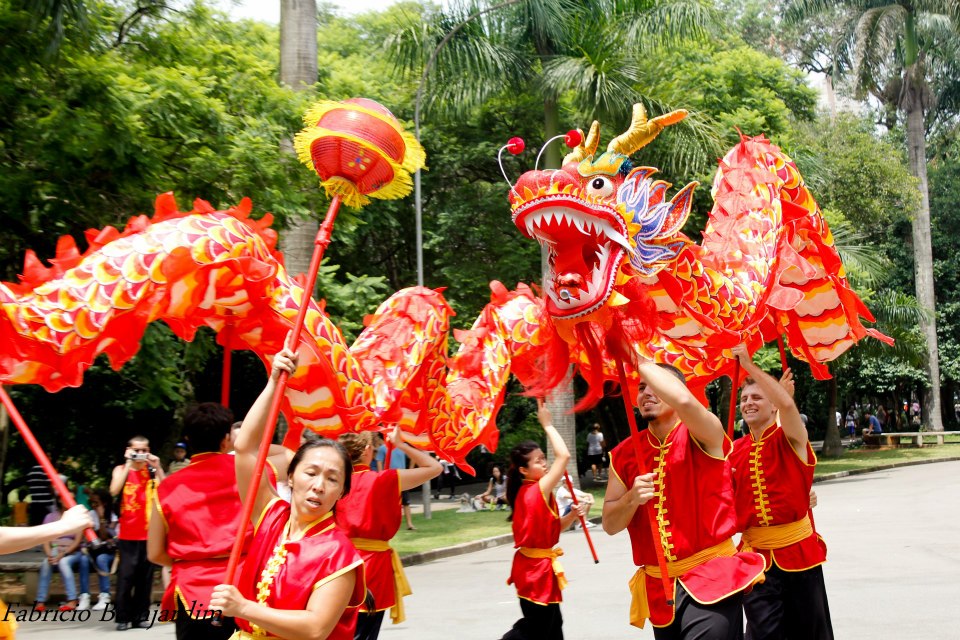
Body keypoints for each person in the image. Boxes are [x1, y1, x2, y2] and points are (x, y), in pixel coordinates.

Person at [602, 358, 765, 638]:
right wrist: (631, 499)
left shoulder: (703, 433)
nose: (646, 393)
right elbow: (609, 524)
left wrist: (632, 354)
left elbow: (686, 403)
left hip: (713, 577)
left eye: (655, 386)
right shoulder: (625, 454)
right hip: (661, 589)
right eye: (641, 388)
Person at [210, 344, 364, 640]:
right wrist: (273, 382)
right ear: (291, 476)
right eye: (311, 472)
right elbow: (244, 448)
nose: (319, 485)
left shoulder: (339, 553)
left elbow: (316, 628)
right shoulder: (271, 515)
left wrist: (244, 608)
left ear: (341, 492)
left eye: (332, 479)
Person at [730, 345, 834, 639]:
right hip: (755, 559)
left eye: (757, 397)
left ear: (773, 404)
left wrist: (749, 366)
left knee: (810, 633)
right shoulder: (733, 451)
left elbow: (788, 408)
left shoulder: (789, 438)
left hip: (798, 553)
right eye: (744, 398)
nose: (748, 403)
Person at [148, 403, 252, 640]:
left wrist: (188, 559)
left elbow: (155, 553)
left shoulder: (167, 488)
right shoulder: (252, 474)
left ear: (187, 439)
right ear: (226, 439)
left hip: (190, 589)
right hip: (243, 585)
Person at [337, 427, 442, 640]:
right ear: (368, 449)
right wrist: (401, 443)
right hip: (373, 567)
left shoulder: (334, 480)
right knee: (364, 633)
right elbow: (434, 467)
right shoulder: (385, 479)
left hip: (337, 563)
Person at [500, 400, 587, 640]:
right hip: (533, 572)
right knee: (537, 630)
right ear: (524, 470)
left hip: (539, 569)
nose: (544, 463)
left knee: (552, 625)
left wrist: (571, 516)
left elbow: (552, 531)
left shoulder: (536, 491)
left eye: (542, 458)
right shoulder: (535, 490)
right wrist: (547, 424)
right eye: (538, 460)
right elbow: (564, 456)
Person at [109, 434, 165, 630]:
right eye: (137, 450)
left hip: (149, 534)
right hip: (127, 534)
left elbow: (167, 490)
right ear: (129, 450)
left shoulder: (151, 471)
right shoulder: (120, 470)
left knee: (145, 578)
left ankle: (141, 616)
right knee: (126, 577)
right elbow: (114, 490)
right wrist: (127, 463)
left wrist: (158, 467)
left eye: (144, 450)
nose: (141, 454)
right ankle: (122, 617)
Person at [35, 500, 85, 611]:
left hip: (72, 552)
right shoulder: (50, 517)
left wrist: (64, 554)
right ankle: (40, 601)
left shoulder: (78, 518)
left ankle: (72, 600)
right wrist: (50, 555)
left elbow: (77, 541)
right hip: (55, 551)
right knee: (46, 563)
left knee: (63, 562)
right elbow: (45, 539)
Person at [85, 488, 118, 611]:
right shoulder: (90, 515)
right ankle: (84, 595)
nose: (93, 506)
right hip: (94, 550)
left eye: (96, 503)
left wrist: (101, 518)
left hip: (110, 553)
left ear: (104, 503)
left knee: (102, 559)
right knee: (83, 560)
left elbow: (104, 535)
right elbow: (95, 537)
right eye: (92, 503)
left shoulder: (113, 515)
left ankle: (105, 596)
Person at [388, 447, 417, 530]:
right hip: (389, 478)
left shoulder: (401, 446)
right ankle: (391, 525)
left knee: (406, 502)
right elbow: (380, 462)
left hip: (402, 477)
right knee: (390, 503)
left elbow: (413, 457)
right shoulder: (384, 448)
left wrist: (410, 471)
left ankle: (409, 524)